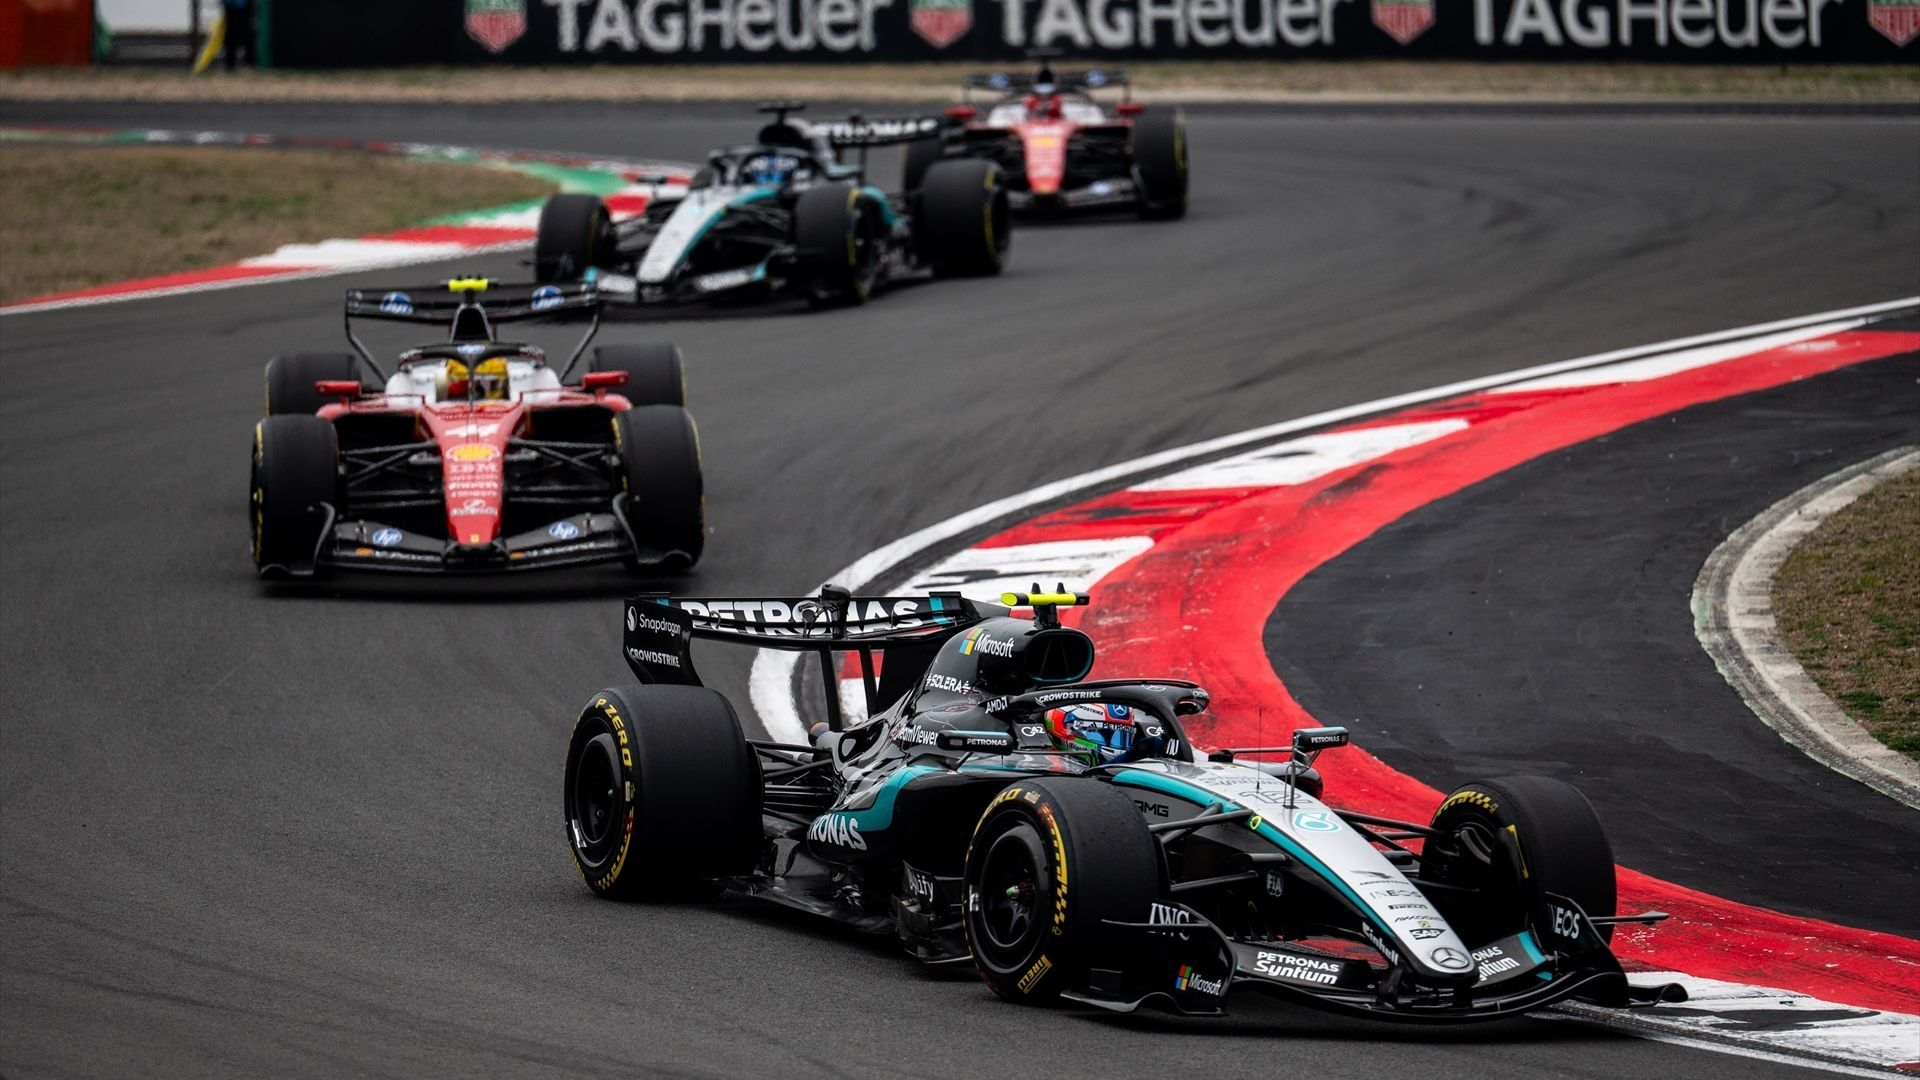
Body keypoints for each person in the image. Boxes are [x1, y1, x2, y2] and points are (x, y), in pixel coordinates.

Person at [223, 0, 254, 71]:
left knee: (247, 36)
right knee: (231, 37)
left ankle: (250, 62)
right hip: (232, 7)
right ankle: (230, 64)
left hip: (244, 7)